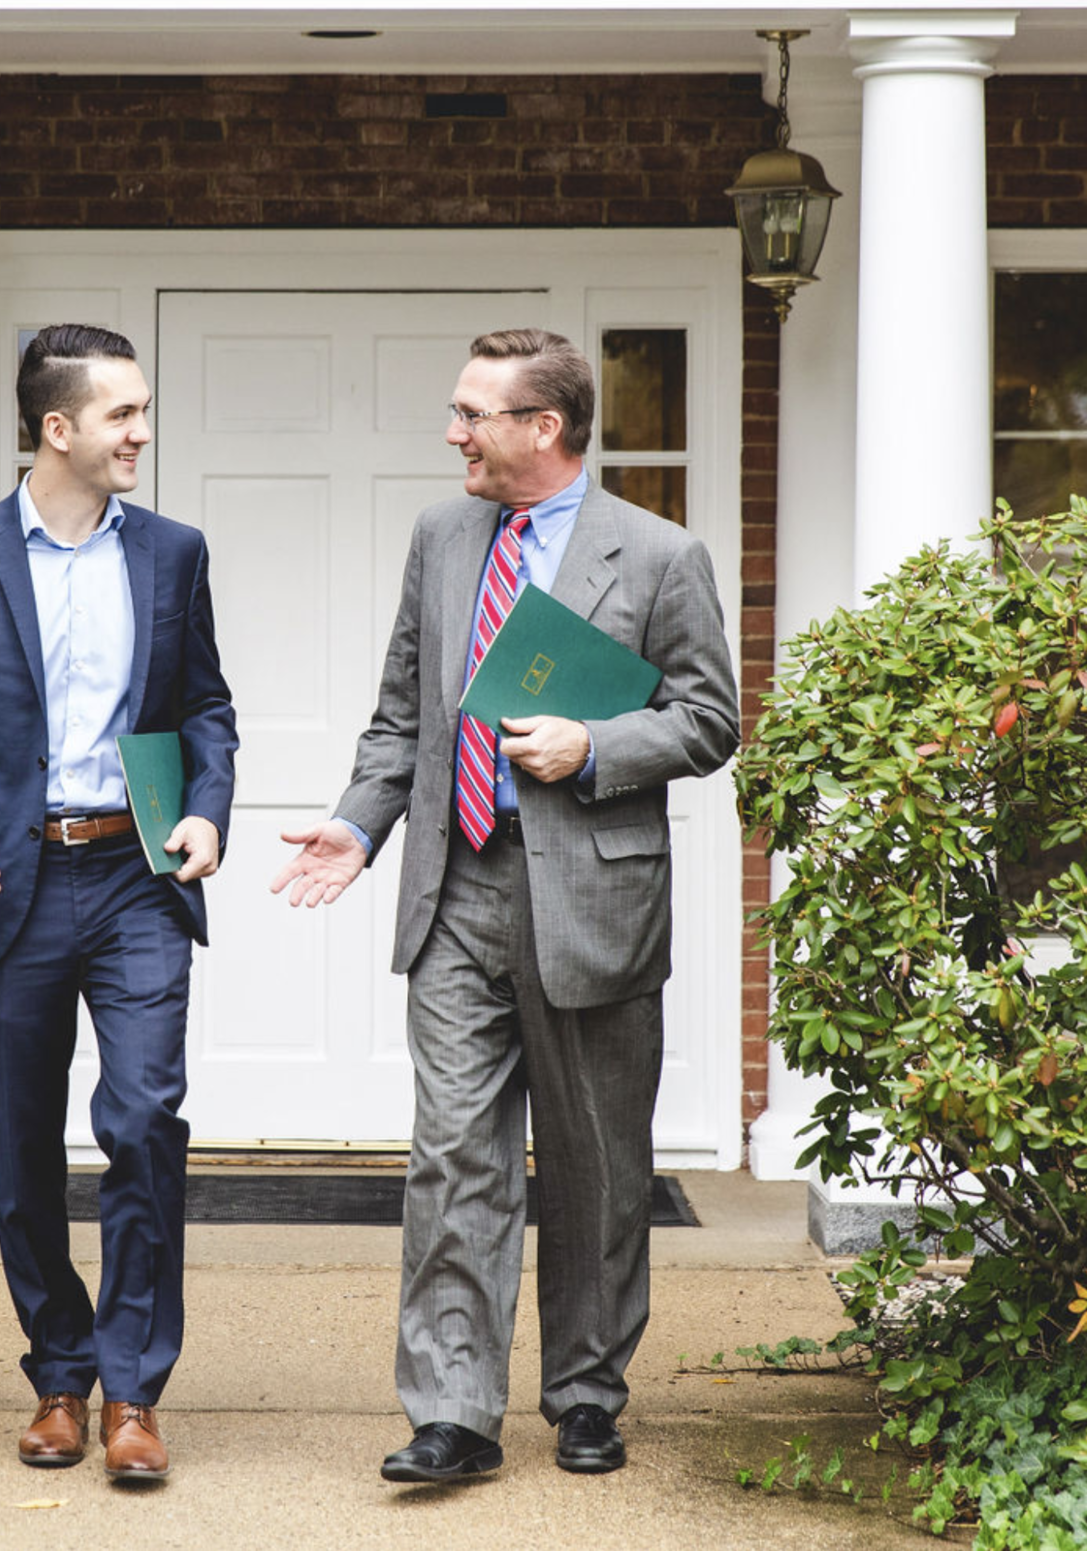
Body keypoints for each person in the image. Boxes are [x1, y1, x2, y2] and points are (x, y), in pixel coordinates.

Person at [272, 328, 739, 1482]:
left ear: (546, 428)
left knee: (594, 1161)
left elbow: (710, 719)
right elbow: (400, 714)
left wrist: (595, 742)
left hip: (591, 894)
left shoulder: (661, 554)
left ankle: (585, 1389)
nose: (453, 433)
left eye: (472, 413)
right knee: (455, 1155)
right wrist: (358, 820)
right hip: (458, 886)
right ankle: (454, 1411)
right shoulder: (442, 537)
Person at [0, 323, 236, 1482]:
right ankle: (57, 1373)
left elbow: (205, 711)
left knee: (142, 1121)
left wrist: (207, 807)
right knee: (23, 1148)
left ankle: (133, 1389)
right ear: (58, 428)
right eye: (123, 413)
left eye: (142, 410)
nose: (142, 431)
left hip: (136, 876)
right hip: (9, 884)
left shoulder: (172, 552)